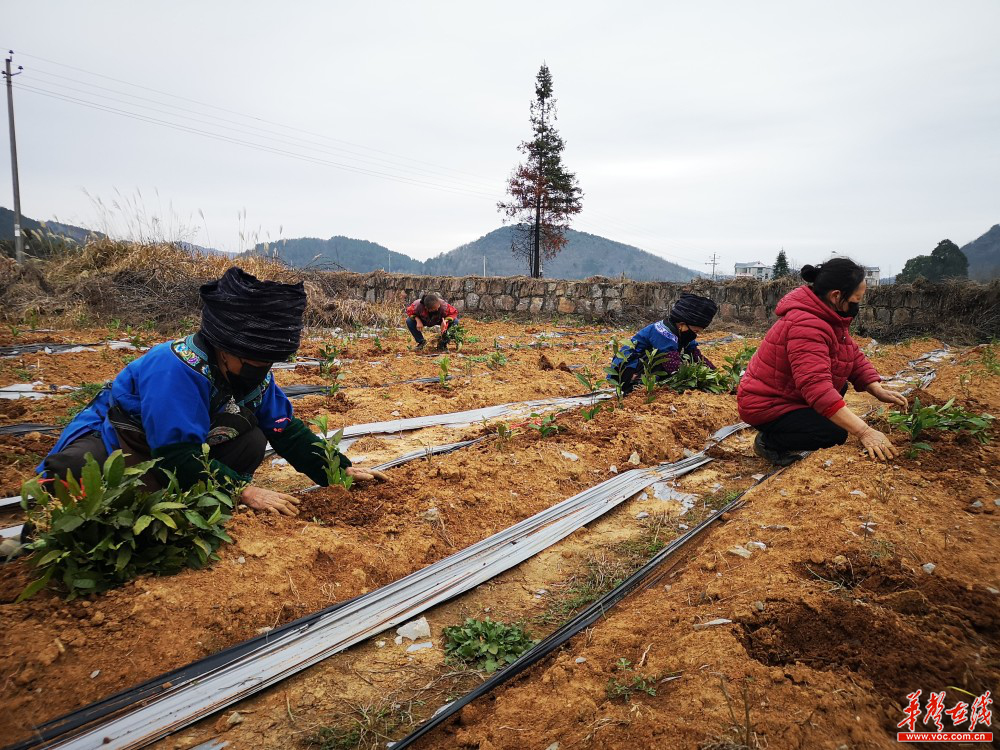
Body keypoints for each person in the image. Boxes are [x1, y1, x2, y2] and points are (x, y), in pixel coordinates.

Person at [38, 267, 386, 516]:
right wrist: (242, 490)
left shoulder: (253, 374)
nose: (260, 369)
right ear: (223, 347)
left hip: (179, 450)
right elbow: (175, 453)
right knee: (75, 477)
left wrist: (338, 469)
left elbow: (285, 429)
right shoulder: (175, 367)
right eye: (252, 359)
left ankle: (192, 490)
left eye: (267, 362)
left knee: (251, 438)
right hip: (129, 441)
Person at [737, 258, 908, 466]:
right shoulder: (807, 324)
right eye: (856, 298)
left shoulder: (829, 317)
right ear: (836, 295)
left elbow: (850, 354)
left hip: (790, 396)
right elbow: (816, 387)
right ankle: (769, 442)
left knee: (839, 385)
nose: (857, 304)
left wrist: (875, 387)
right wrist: (864, 431)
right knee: (832, 433)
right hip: (767, 404)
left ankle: (799, 425)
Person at [608, 293, 719, 395]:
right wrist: (695, 381)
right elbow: (673, 365)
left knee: (685, 358)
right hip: (628, 369)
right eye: (695, 331)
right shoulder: (662, 332)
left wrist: (714, 374)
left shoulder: (684, 334)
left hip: (644, 366)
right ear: (682, 325)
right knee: (662, 359)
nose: (695, 335)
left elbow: (696, 355)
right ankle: (636, 387)